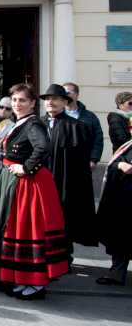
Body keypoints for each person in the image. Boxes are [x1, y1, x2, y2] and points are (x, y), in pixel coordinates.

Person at [0, 83, 69, 300]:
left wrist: (26, 167)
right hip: (17, 181)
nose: (17, 104)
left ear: (32, 103)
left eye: (22, 100)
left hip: (29, 184)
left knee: (27, 230)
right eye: (14, 100)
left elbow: (43, 147)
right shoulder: (19, 122)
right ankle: (22, 278)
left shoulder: (33, 124)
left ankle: (36, 283)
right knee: (15, 229)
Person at [41, 83, 97, 252]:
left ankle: (65, 256)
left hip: (65, 182)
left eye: (56, 99)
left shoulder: (77, 127)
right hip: (41, 181)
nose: (51, 102)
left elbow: (80, 162)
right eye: (48, 99)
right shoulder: (36, 123)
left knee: (64, 219)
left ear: (65, 102)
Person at [95, 133, 132, 286]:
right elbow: (115, 162)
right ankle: (117, 273)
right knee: (120, 238)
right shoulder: (128, 145)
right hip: (123, 201)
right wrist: (120, 165)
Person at [63, 82, 105, 168]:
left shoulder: (89, 116)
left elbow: (98, 139)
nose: (64, 95)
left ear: (77, 95)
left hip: (84, 163)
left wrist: (94, 159)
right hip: (61, 162)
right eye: (62, 93)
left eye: (67, 93)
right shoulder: (56, 115)